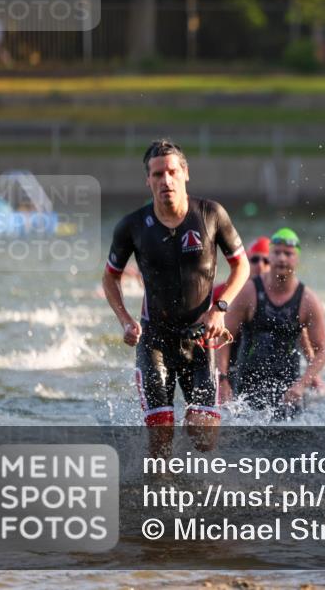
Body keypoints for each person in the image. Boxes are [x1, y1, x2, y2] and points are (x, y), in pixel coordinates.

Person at [102, 139, 249, 454]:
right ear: (148, 180)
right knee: (161, 439)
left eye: (171, 172)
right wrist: (125, 321)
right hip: (154, 337)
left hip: (201, 337)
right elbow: (109, 278)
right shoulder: (132, 226)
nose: (165, 180)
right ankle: (159, 492)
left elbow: (242, 266)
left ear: (185, 173)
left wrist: (220, 309)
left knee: (202, 438)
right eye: (157, 175)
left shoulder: (211, 214)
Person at [220, 227, 325, 420]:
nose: (282, 258)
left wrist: (303, 383)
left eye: (288, 254)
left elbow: (321, 351)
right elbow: (224, 337)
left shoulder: (307, 300)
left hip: (289, 389)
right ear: (269, 255)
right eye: (277, 252)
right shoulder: (249, 292)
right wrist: (223, 380)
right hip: (247, 385)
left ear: (297, 258)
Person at [212, 235, 271, 382]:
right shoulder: (222, 292)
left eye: (266, 261)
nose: (260, 265)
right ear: (245, 262)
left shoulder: (278, 298)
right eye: (255, 260)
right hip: (223, 351)